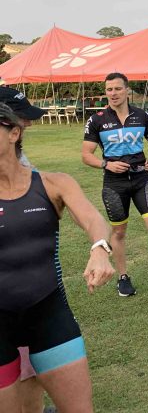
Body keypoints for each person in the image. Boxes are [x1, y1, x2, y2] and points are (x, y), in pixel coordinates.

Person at [0, 103, 115, 413]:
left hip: (48, 316)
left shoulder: (53, 184)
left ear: (14, 133)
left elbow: (92, 219)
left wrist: (100, 249)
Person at [82, 72, 148, 298]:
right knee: (119, 232)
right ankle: (123, 278)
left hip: (142, 179)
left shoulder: (141, 115)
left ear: (127, 90)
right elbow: (86, 155)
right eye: (109, 89)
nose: (113, 93)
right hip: (114, 184)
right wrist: (106, 164)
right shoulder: (97, 120)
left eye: (117, 89)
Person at [0, 88, 49, 413]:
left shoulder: (21, 163)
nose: (28, 124)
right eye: (22, 118)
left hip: (27, 284)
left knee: (30, 360)